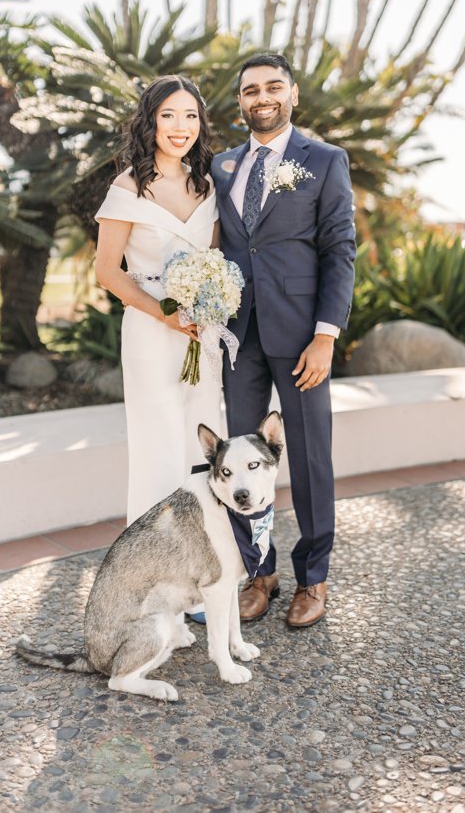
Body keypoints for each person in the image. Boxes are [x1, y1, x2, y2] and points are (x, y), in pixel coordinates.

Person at [211, 52, 356, 628]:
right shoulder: (222, 166)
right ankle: (261, 572)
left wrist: (325, 337)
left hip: (301, 338)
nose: (261, 98)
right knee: (242, 462)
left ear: (292, 95)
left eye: (273, 87)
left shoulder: (324, 160)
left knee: (312, 459)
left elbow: (339, 250)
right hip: (237, 338)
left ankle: (313, 580)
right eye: (250, 90)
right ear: (240, 100)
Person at [94, 75, 223, 536]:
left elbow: (213, 261)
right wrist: (164, 312)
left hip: (202, 334)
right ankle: (156, 587)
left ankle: (198, 578)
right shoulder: (127, 188)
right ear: (150, 122)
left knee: (202, 447)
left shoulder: (206, 186)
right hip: (152, 332)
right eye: (168, 115)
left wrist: (211, 299)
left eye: (190, 115)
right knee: (159, 450)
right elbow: (107, 272)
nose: (180, 125)